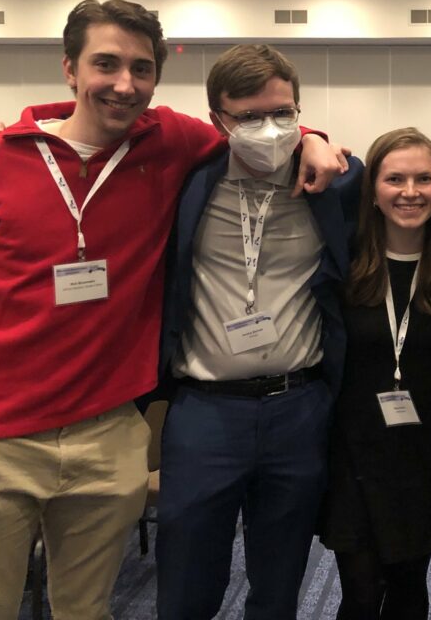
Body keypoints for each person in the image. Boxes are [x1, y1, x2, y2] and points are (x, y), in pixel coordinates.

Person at [0, 0, 342, 620]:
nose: (123, 83)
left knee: (90, 610)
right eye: (105, 64)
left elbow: (281, 129)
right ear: (69, 68)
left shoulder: (168, 145)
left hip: (109, 432)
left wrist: (314, 137)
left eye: (141, 69)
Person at [155, 43, 362, 620]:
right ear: (218, 119)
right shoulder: (187, 181)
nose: (270, 129)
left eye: (284, 113)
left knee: (279, 583)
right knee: (186, 584)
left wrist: (316, 138)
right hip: (205, 410)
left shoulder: (338, 182)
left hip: (299, 407)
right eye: (249, 116)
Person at [319, 128, 431, 619]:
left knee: (408, 588)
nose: (410, 192)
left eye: (424, 178)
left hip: (422, 450)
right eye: (394, 179)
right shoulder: (345, 258)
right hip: (352, 449)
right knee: (360, 591)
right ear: (373, 191)